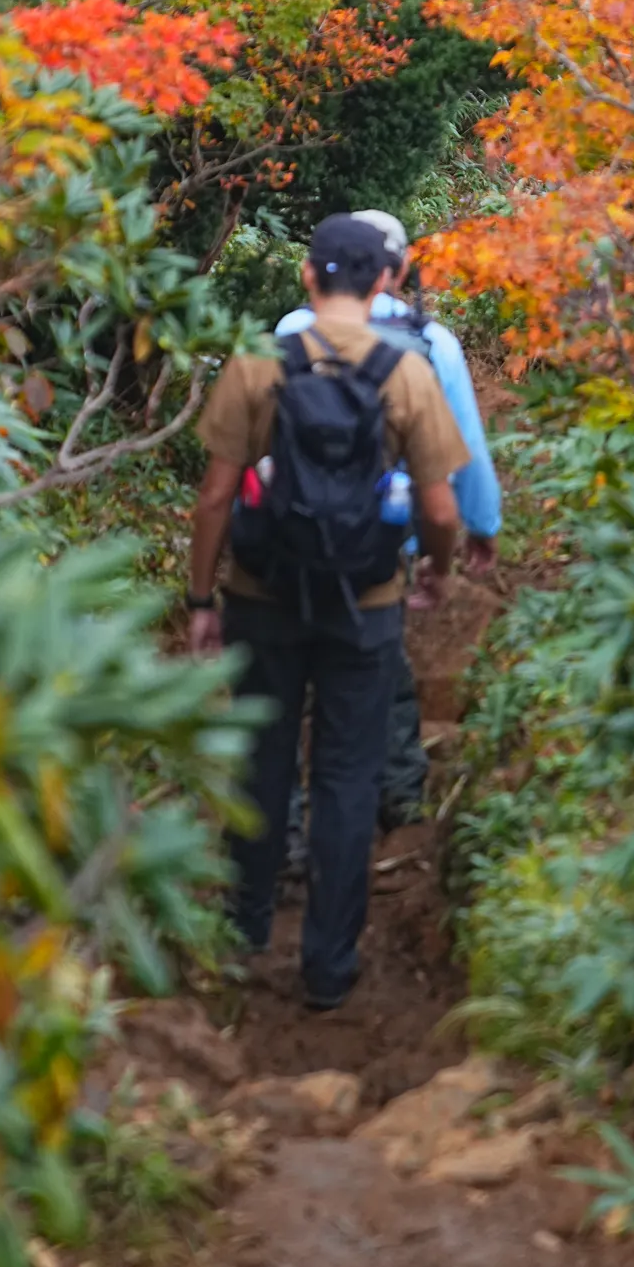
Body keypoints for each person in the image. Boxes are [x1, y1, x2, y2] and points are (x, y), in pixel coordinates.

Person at [186, 214, 467, 1011]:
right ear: (385, 281)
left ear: (308, 277)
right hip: (367, 602)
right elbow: (441, 509)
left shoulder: (256, 362)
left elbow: (213, 498)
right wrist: (436, 577)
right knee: (347, 777)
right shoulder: (406, 369)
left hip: (261, 595)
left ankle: (241, 935)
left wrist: (202, 599)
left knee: (262, 760)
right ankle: (330, 966)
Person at [275, 206, 500, 828]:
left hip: (295, 532)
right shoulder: (431, 342)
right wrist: (478, 527)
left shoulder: (292, 329)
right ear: (395, 269)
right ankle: (397, 792)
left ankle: (290, 812)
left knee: (294, 670)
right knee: (377, 657)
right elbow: (463, 449)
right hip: (386, 530)